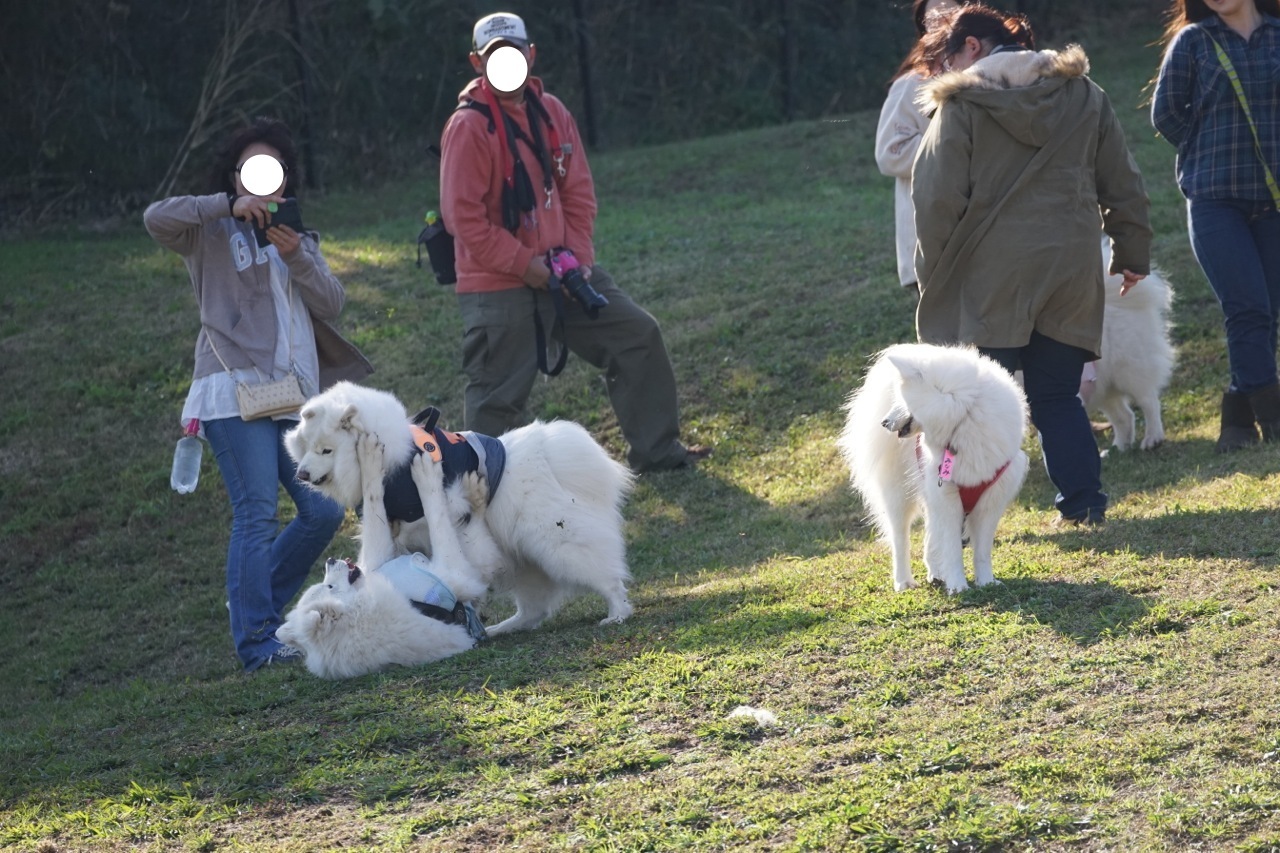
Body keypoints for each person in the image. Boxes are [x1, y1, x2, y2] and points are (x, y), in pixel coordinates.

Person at [144, 117, 372, 672]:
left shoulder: (299, 239)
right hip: (230, 392)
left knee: (320, 512)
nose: (265, 182)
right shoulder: (208, 233)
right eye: (253, 170)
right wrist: (227, 205)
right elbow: (155, 218)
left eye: (274, 171)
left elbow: (332, 303)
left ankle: (254, 606)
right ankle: (255, 643)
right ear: (236, 175)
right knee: (256, 514)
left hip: (294, 398)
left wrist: (295, 254)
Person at [910, 5, 1152, 526]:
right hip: (1069, 271)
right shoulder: (1086, 95)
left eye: (948, 56)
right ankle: (1084, 505)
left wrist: (935, 278)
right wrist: (1132, 253)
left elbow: (934, 203)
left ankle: (961, 520)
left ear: (971, 47)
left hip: (987, 278)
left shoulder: (961, 106)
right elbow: (1123, 183)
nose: (946, 69)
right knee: (1057, 396)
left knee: (971, 403)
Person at [439, 12, 709, 472]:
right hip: (498, 281)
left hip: (562, 269)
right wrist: (526, 265)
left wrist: (578, 263)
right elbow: (462, 219)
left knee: (637, 335)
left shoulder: (553, 112)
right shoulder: (468, 126)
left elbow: (578, 192)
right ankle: (479, 489)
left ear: (531, 54)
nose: (507, 63)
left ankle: (658, 451)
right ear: (476, 63)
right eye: (494, 56)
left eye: (514, 52)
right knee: (497, 399)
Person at [1151, 0, 1280, 450]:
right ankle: (1273, 421)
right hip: (1214, 201)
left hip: (1273, 200)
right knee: (1246, 308)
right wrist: (1207, 149)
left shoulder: (1276, 34)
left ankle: (1237, 419)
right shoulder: (1193, 41)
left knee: (1267, 313)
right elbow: (1165, 113)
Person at [875, 0, 969, 298]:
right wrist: (954, 148)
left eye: (950, 12)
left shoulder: (982, 78)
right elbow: (890, 154)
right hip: (930, 245)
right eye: (934, 16)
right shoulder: (910, 84)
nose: (943, 20)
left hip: (978, 241)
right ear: (923, 27)